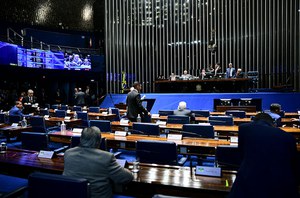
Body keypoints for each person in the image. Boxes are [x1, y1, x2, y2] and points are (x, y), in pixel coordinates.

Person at [228, 113, 299, 198]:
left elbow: (241, 155)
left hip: (248, 182)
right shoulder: (288, 137)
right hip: (281, 185)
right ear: (272, 123)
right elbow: (294, 164)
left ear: (254, 121)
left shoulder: (244, 128)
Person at [63, 126, 134, 198]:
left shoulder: (68, 153)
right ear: (99, 141)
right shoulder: (106, 157)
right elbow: (126, 177)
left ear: (81, 139)